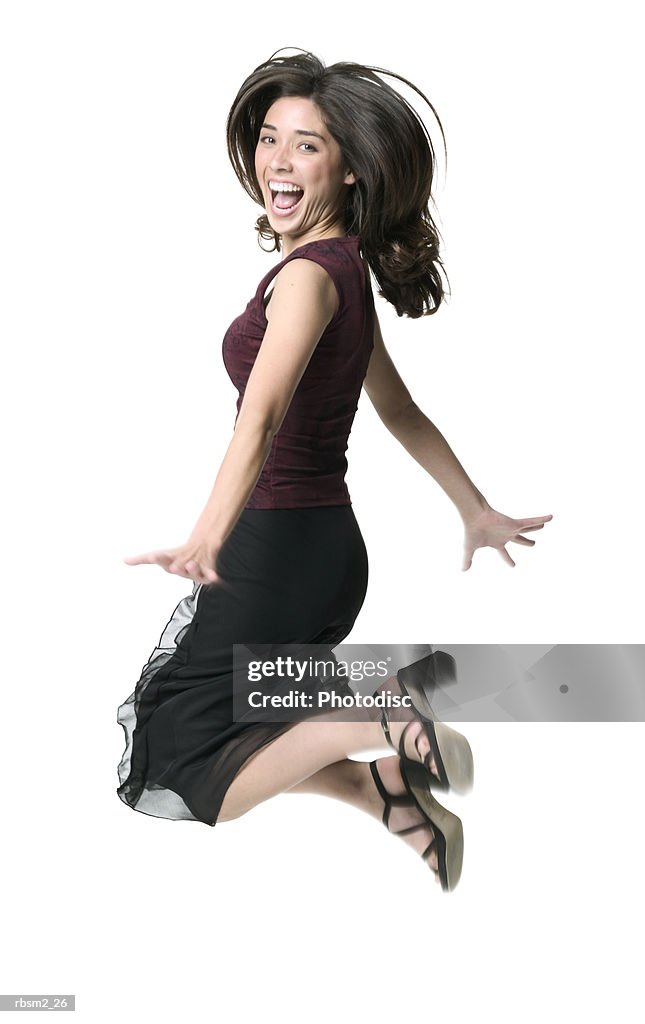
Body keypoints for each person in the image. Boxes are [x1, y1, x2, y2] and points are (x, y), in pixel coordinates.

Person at [117, 48, 552, 891]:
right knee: (253, 708)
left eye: (307, 145)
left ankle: (383, 710)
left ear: (350, 167)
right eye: (269, 138)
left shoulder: (306, 282)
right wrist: (476, 511)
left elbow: (263, 417)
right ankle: (385, 794)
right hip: (323, 550)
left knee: (175, 748)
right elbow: (398, 410)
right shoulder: (341, 271)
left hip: (273, 547)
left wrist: (206, 538)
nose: (277, 161)